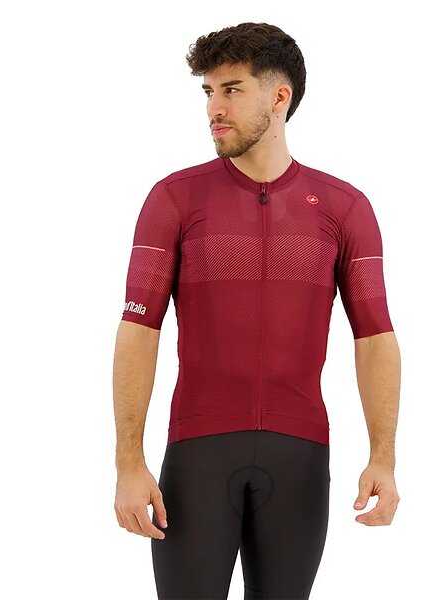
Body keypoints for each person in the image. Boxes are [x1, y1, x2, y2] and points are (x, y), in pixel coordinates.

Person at [113, 21, 401, 599]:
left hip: (300, 457)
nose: (213, 109)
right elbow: (139, 329)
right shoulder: (174, 199)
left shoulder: (344, 208)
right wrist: (128, 463)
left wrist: (383, 458)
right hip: (197, 452)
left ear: (278, 97)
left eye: (232, 90)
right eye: (208, 92)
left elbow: (374, 336)